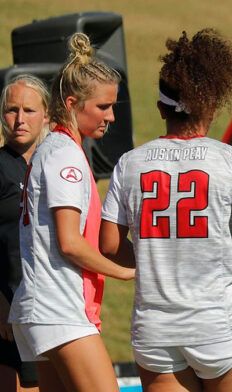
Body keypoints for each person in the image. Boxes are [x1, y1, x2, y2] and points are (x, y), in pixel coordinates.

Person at [99, 29, 232, 392]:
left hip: (156, 331)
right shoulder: (230, 159)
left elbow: (109, 245)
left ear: (161, 107)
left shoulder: (129, 163)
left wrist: (157, 259)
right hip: (220, 324)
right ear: (212, 104)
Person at [7, 33, 134, 392]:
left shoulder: (54, 147)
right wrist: (125, 272)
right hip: (57, 308)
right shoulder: (66, 155)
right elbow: (70, 243)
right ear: (72, 102)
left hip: (42, 308)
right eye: (103, 106)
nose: (111, 116)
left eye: (112, 106)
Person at [0, 75, 50, 392]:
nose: (20, 119)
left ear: (46, 115)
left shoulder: (56, 165)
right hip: (6, 315)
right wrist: (0, 304)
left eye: (29, 110)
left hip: (48, 311)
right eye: (11, 110)